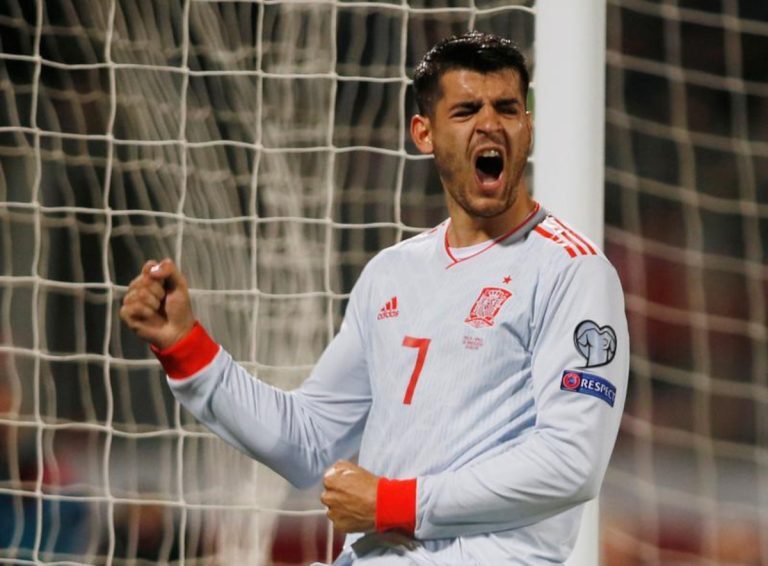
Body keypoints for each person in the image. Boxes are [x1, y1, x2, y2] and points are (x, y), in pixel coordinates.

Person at [120, 31, 629, 565]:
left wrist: (393, 504)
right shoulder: (391, 274)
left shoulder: (572, 272)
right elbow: (309, 441)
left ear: (527, 126)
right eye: (465, 111)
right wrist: (185, 348)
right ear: (424, 133)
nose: (490, 124)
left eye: (506, 108)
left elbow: (571, 461)